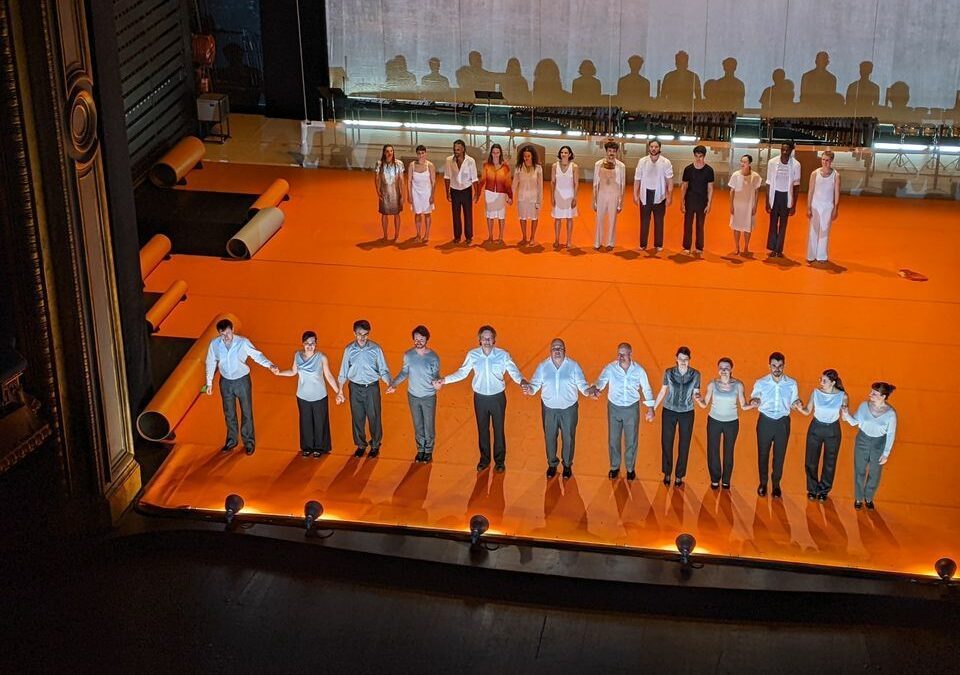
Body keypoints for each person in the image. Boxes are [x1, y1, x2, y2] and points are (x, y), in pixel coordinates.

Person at [435, 325, 526, 472]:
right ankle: (484, 460)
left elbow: (514, 372)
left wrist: (523, 382)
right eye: (484, 338)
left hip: (498, 398)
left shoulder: (503, 355)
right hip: (480, 399)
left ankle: (500, 462)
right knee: (482, 429)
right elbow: (462, 372)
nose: (487, 341)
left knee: (498, 429)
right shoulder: (473, 355)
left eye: (489, 338)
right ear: (479, 340)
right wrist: (444, 380)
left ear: (494, 340)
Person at [203, 318, 277, 455]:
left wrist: (270, 365)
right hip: (225, 382)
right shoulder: (214, 345)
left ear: (232, 330)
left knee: (246, 411)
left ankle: (249, 442)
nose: (225, 337)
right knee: (229, 412)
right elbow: (210, 362)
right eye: (222, 334)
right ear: (218, 334)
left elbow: (257, 355)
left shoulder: (242, 342)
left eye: (227, 333)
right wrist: (209, 382)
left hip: (242, 381)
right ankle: (231, 441)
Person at [523, 338, 591, 479]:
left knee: (569, 437)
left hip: (569, 410)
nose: (557, 350)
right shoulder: (543, 367)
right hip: (549, 410)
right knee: (550, 437)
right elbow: (535, 385)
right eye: (554, 348)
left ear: (565, 350)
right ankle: (552, 464)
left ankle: (567, 465)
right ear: (550, 351)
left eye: (560, 348)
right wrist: (529, 389)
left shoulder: (573, 366)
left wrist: (589, 391)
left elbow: (582, 385)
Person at [591, 342, 656, 480]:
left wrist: (650, 408)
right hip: (614, 408)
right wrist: (596, 389)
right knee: (613, 439)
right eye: (619, 354)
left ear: (630, 354)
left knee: (631, 440)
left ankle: (630, 468)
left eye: (624, 354)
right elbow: (601, 381)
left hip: (631, 409)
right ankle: (614, 467)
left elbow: (646, 389)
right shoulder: (610, 368)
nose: (620, 357)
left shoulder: (639, 371)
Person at [275, 331, 340, 457]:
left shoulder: (322, 357)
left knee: (320, 422)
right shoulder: (297, 355)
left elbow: (329, 376)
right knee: (305, 422)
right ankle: (307, 447)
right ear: (302, 344)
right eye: (307, 343)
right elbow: (293, 372)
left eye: (312, 343)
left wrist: (338, 392)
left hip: (319, 396)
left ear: (316, 344)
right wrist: (279, 373)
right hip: (302, 396)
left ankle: (320, 448)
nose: (310, 346)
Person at [336, 319, 391, 458]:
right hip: (354, 387)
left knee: (374, 417)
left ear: (368, 334)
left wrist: (389, 383)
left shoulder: (376, 349)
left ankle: (375, 444)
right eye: (359, 334)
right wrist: (340, 390)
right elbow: (343, 371)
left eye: (365, 334)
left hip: (371, 387)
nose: (362, 338)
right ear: (354, 333)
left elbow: (383, 370)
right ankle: (360, 445)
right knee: (357, 417)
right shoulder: (349, 350)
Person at [749, 351, 800, 497]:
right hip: (765, 421)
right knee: (763, 453)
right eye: (774, 366)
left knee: (780, 455)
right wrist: (755, 401)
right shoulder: (761, 382)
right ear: (769, 366)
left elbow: (793, 402)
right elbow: (754, 397)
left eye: (780, 366)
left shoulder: (791, 383)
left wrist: (796, 403)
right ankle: (763, 483)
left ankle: (776, 484)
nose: (777, 369)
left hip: (782, 423)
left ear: (784, 366)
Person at [387, 325, 441, 463]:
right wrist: (393, 384)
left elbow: (436, 375)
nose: (418, 341)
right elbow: (404, 372)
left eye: (421, 339)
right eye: (416, 339)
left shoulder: (433, 357)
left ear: (426, 339)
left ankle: (428, 450)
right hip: (413, 396)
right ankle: (420, 450)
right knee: (418, 424)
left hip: (428, 396)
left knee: (429, 425)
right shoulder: (408, 355)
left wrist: (437, 383)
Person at [695, 357, 752, 489]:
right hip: (714, 421)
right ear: (718, 370)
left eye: (726, 368)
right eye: (721, 368)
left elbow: (743, 405)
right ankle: (715, 479)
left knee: (728, 451)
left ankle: (726, 480)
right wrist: (698, 399)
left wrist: (754, 404)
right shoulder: (712, 385)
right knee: (713, 450)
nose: (724, 370)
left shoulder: (738, 385)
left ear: (731, 369)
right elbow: (704, 404)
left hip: (731, 423)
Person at [842, 382, 898, 510]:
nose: (870, 394)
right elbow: (854, 422)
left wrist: (886, 453)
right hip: (862, 440)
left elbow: (890, 435)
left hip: (879, 444)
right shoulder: (863, 406)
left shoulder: (891, 414)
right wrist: (846, 415)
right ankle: (858, 498)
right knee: (859, 470)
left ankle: (868, 497)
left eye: (874, 393)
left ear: (883, 396)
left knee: (875, 473)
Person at [794, 369, 847, 500]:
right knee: (811, 460)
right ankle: (812, 488)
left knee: (830, 461)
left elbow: (844, 418)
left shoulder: (843, 396)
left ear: (833, 382)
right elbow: (807, 411)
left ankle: (824, 490)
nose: (821, 382)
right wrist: (800, 408)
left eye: (824, 381)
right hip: (816, 428)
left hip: (833, 430)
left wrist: (845, 411)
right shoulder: (816, 393)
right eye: (821, 379)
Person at [653, 346, 701, 487]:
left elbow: (696, 392)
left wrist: (699, 398)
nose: (683, 361)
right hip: (669, 411)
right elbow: (663, 391)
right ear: (676, 359)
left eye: (686, 359)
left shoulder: (696, 374)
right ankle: (667, 472)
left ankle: (679, 475)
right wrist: (653, 408)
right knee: (667, 442)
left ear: (689, 360)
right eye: (680, 359)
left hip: (687, 412)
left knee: (684, 444)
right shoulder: (668, 373)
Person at [633, 139, 674, 252]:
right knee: (644, 221)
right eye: (651, 146)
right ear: (649, 148)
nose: (653, 149)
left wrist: (669, 196)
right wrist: (635, 194)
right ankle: (642, 244)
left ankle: (658, 244)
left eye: (656, 147)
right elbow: (637, 179)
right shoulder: (642, 161)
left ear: (659, 148)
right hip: (645, 194)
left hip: (660, 195)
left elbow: (669, 181)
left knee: (659, 221)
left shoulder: (666, 162)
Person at [764, 141, 801, 258]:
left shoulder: (796, 165)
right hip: (774, 195)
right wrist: (767, 202)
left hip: (787, 197)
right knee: (773, 223)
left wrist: (794, 205)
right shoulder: (772, 162)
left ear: (791, 151)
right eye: (782, 150)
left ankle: (779, 249)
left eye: (787, 150)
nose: (784, 152)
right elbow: (768, 183)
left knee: (783, 224)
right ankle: (772, 248)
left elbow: (796, 186)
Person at [806, 150, 840, 263]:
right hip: (815, 204)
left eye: (827, 160)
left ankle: (821, 256)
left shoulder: (836, 175)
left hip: (828, 206)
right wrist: (808, 207)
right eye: (823, 160)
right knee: (813, 230)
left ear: (831, 161)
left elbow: (836, 193)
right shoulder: (814, 174)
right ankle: (811, 255)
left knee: (825, 231)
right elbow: (810, 191)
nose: (825, 162)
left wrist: (836, 208)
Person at [679, 145, 714, 255]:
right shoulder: (688, 169)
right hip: (690, 200)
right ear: (694, 156)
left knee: (700, 225)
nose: (698, 158)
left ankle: (699, 247)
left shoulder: (709, 170)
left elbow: (710, 188)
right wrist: (682, 202)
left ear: (704, 156)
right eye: (696, 156)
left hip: (702, 201)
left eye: (701, 156)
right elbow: (684, 186)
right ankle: (686, 247)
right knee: (687, 224)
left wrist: (709, 203)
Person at [444, 139, 479, 244]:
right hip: (454, 190)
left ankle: (469, 237)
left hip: (466, 190)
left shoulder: (470, 161)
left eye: (458, 149)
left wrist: (476, 193)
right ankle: (457, 236)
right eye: (455, 149)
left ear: (463, 149)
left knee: (468, 214)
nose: (456, 151)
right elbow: (447, 177)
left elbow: (474, 178)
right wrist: (447, 193)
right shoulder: (449, 160)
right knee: (456, 215)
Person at [593, 141, 625, 250]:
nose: (611, 153)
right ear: (606, 151)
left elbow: (622, 184)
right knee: (599, 219)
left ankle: (610, 243)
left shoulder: (621, 166)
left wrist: (620, 202)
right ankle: (597, 242)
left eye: (614, 151)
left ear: (616, 153)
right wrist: (594, 200)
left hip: (614, 194)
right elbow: (595, 183)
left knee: (612, 219)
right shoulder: (598, 164)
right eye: (609, 151)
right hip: (601, 193)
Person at [727, 154, 762, 255]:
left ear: (749, 163)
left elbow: (756, 192)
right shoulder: (735, 175)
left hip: (749, 205)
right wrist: (731, 205)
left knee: (748, 227)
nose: (742, 164)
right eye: (741, 161)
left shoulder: (755, 176)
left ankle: (746, 247)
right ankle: (737, 247)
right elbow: (731, 191)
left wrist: (755, 205)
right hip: (737, 205)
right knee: (736, 226)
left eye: (745, 162)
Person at [479, 143, 512, 244]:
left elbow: (508, 182)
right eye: (493, 152)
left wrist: (510, 196)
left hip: (501, 194)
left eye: (497, 152)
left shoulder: (506, 166)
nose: (495, 154)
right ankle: (490, 236)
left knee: (501, 216)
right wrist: (477, 192)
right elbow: (482, 179)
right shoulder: (486, 165)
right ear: (491, 153)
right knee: (490, 216)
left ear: (500, 153)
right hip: (489, 193)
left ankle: (501, 237)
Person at [513, 145, 543, 246]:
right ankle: (524, 237)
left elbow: (540, 186)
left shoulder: (538, 168)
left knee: (534, 218)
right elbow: (514, 183)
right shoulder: (518, 167)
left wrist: (539, 200)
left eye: (528, 156)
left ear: (532, 156)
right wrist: (510, 196)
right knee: (522, 217)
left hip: (534, 198)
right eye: (524, 156)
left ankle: (532, 237)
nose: (526, 158)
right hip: (522, 197)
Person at [374, 144, 405, 241]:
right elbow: (376, 178)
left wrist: (403, 195)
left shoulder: (399, 164)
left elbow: (401, 180)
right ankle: (385, 235)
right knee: (384, 214)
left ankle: (396, 236)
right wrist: (378, 191)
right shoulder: (379, 164)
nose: (389, 153)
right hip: (384, 193)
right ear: (384, 153)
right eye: (387, 151)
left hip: (396, 193)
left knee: (397, 214)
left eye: (391, 151)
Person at [551, 146, 579, 249]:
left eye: (566, 152)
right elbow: (552, 182)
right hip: (558, 195)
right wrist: (552, 197)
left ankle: (568, 240)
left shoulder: (574, 167)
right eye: (562, 152)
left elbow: (576, 183)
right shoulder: (555, 166)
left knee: (569, 219)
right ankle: (557, 239)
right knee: (557, 219)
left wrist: (575, 198)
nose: (563, 154)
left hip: (570, 196)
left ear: (570, 154)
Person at [407, 145, 436, 243]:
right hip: (415, 193)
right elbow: (409, 181)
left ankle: (426, 234)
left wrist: (432, 195)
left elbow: (433, 181)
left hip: (427, 192)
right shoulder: (412, 165)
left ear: (426, 153)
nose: (421, 155)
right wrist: (409, 194)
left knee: (427, 214)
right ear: (416, 154)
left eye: (423, 153)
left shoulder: (430, 165)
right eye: (419, 153)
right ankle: (418, 234)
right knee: (417, 213)